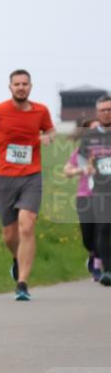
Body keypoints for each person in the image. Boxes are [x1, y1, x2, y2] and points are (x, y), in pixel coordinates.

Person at [0, 69, 57, 301]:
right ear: (10, 87)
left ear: (30, 86)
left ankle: (22, 283)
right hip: (4, 177)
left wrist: (48, 137)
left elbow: (51, 130)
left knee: (27, 225)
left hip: (32, 176)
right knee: (9, 235)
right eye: (17, 84)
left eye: (25, 84)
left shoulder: (41, 111)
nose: (21, 87)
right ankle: (16, 258)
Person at [76, 95, 111, 287]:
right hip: (100, 189)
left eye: (109, 109)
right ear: (98, 113)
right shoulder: (89, 137)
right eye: (103, 110)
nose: (106, 113)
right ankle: (108, 270)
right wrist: (86, 167)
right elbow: (81, 157)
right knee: (103, 227)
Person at [63, 118, 103, 282]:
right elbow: (67, 171)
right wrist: (82, 169)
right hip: (84, 196)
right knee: (88, 236)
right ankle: (93, 255)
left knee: (103, 231)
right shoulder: (80, 153)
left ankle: (99, 266)